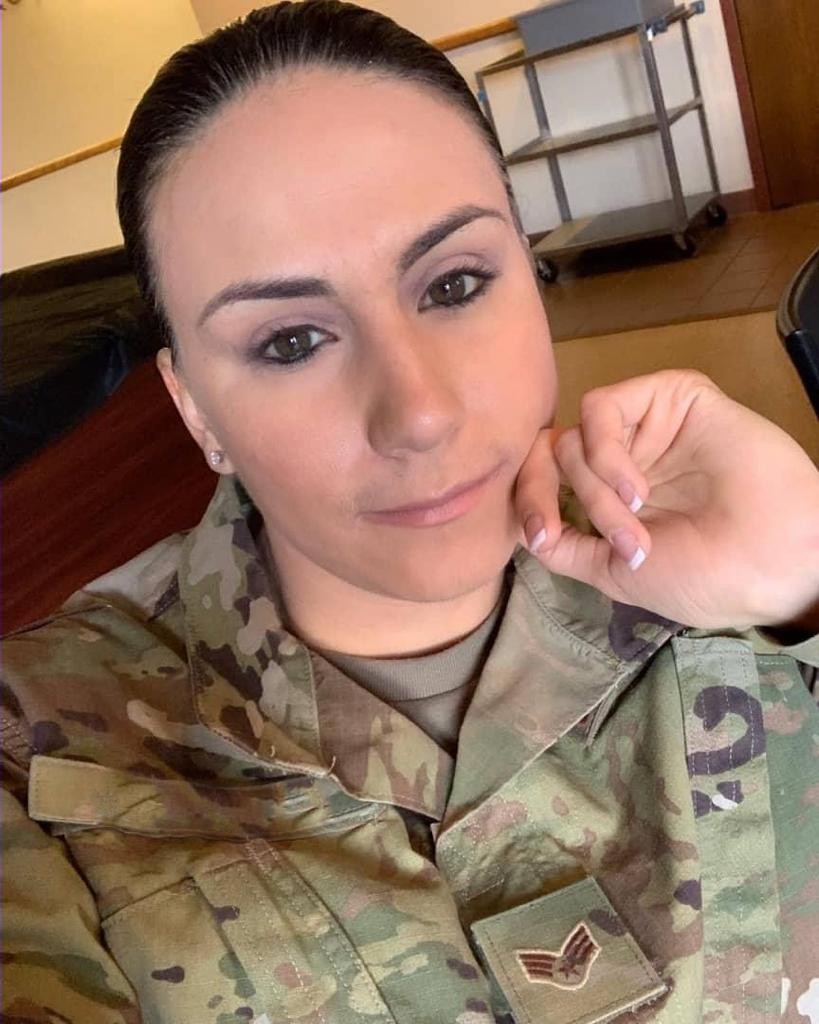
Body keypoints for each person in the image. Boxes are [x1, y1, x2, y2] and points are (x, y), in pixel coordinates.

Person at [2, 3, 818, 1022]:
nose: (420, 412)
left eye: (456, 283)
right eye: (292, 342)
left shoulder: (723, 558)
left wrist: (806, 577)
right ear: (196, 409)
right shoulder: (36, 760)